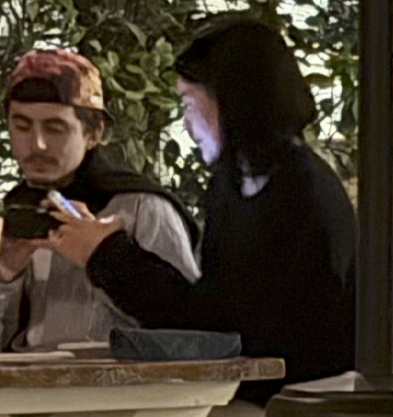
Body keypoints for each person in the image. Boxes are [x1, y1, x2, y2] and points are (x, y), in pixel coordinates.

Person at [42, 16, 357, 408]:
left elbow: (227, 330)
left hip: (300, 401)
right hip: (245, 395)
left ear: (234, 101)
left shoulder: (304, 192)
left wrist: (108, 254)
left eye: (189, 103)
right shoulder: (231, 185)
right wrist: (106, 253)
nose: (186, 123)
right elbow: (212, 316)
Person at [0, 48, 201, 353]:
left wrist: (107, 257)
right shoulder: (11, 215)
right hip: (24, 380)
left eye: (54, 128)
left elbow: (192, 329)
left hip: (119, 382)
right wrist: (3, 277)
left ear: (94, 132)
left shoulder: (141, 208)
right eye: (22, 126)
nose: (37, 144)